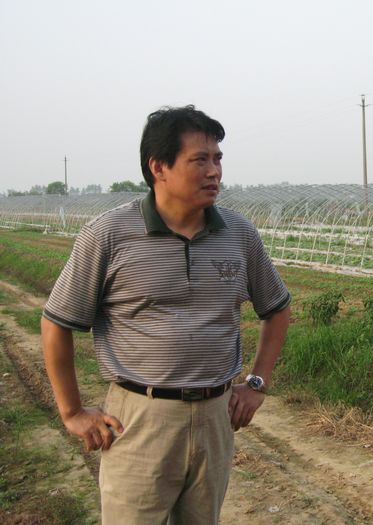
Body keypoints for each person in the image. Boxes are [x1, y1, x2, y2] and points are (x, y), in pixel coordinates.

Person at [41, 105, 291, 524]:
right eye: (199, 160)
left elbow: (277, 309)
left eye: (218, 159)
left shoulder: (239, 233)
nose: (214, 172)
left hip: (215, 415)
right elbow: (56, 322)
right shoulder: (109, 235)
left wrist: (257, 383)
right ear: (158, 167)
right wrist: (72, 412)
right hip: (140, 418)